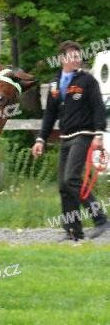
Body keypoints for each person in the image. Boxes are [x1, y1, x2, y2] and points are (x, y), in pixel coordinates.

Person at [32, 40, 109, 240]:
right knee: (63, 185)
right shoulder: (55, 84)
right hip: (65, 137)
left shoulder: (87, 80)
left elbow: (99, 108)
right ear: (62, 59)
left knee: (71, 179)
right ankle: (74, 231)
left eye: (78, 56)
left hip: (84, 135)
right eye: (72, 56)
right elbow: (50, 115)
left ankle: (101, 220)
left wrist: (99, 134)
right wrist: (41, 139)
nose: (77, 59)